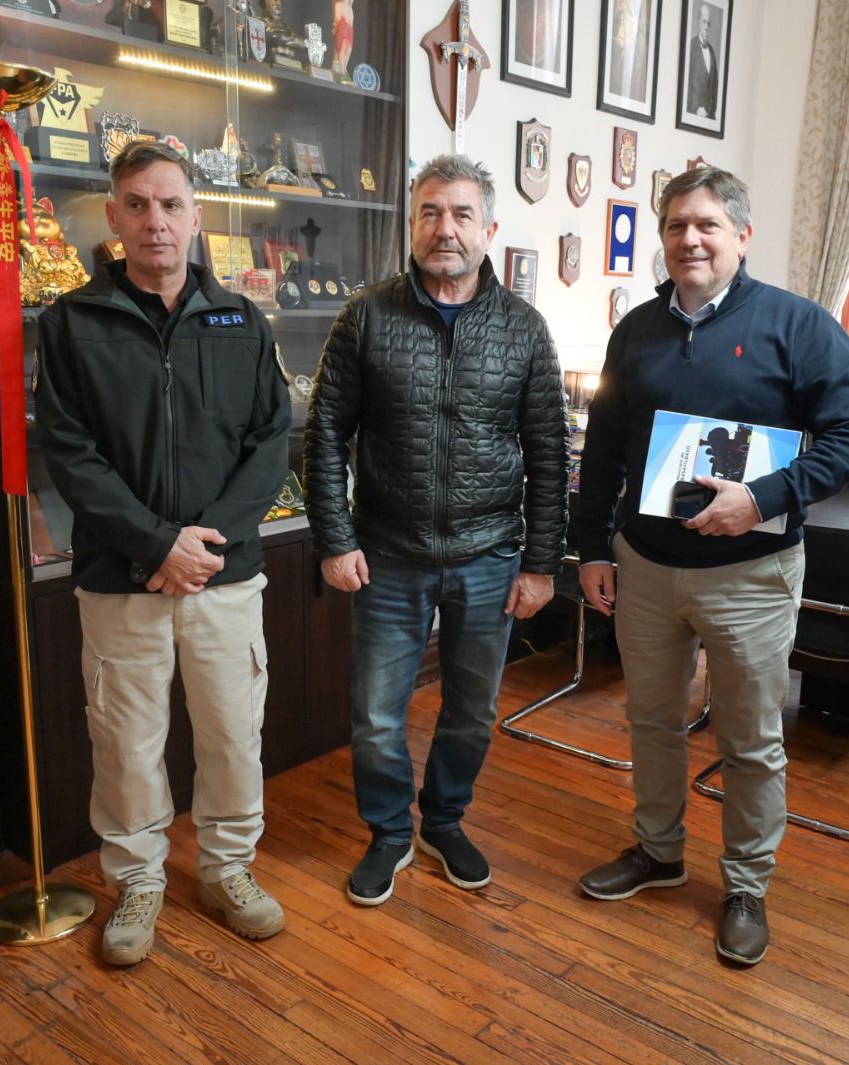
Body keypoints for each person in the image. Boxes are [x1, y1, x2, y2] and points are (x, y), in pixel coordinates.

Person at [570, 166, 849, 966]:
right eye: (676, 225)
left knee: (749, 739)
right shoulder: (636, 330)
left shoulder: (800, 327)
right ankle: (658, 850)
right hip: (646, 567)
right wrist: (592, 545)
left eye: (707, 224)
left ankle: (745, 884)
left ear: (742, 235)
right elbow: (605, 446)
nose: (690, 239)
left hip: (752, 573)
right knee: (651, 721)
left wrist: (763, 496)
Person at [35, 141, 291, 965]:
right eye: (139, 205)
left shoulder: (241, 321)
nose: (157, 222)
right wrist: (156, 544)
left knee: (232, 735)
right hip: (122, 579)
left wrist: (205, 543)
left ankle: (227, 868)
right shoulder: (72, 324)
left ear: (196, 216)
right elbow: (70, 453)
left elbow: (271, 443)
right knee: (127, 743)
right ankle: (139, 879)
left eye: (172, 205)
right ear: (114, 216)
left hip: (224, 575)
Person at [304, 154, 567, 907]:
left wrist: (542, 562)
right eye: (429, 212)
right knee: (376, 715)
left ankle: (444, 821)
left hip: (490, 556)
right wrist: (334, 538)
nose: (444, 228)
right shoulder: (366, 316)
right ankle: (390, 832)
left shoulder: (523, 330)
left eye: (460, 214)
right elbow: (325, 433)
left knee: (472, 711)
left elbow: (549, 451)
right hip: (387, 555)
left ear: (488, 229)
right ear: (412, 225)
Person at [685, 3, 719, 120]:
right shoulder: (690, 47)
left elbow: (715, 85)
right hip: (693, 116)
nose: (706, 27)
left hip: (710, 119)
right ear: (698, 22)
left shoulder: (712, 51)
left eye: (708, 23)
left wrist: (712, 112)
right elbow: (686, 84)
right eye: (704, 22)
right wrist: (695, 109)